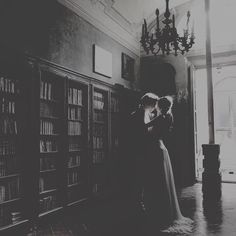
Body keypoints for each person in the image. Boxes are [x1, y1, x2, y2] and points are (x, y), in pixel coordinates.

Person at [145, 96, 193, 234]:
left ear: (160, 106)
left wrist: (145, 115)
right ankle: (164, 211)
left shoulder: (161, 117)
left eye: (157, 105)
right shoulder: (169, 116)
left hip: (156, 149)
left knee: (159, 180)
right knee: (163, 181)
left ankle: (160, 212)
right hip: (161, 148)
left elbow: (145, 127)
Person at [128, 93, 159, 206]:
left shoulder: (146, 114)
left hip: (143, 148)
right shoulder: (139, 114)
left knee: (143, 176)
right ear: (149, 103)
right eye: (154, 104)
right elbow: (140, 132)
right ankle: (139, 202)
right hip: (140, 149)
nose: (155, 106)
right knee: (140, 176)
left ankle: (142, 200)